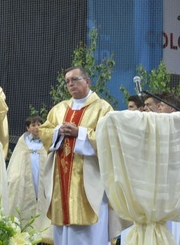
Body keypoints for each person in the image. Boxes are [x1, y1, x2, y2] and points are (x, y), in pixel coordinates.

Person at [39, 67, 124, 244]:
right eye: (67, 81)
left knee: (90, 234)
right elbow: (44, 132)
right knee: (63, 233)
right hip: (61, 180)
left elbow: (110, 139)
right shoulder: (59, 109)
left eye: (74, 79)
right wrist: (57, 131)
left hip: (89, 181)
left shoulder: (103, 108)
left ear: (87, 81)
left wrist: (80, 133)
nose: (70, 84)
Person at [7, 115, 53, 243]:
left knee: (43, 198)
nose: (37, 127)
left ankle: (44, 231)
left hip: (42, 176)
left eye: (39, 124)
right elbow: (16, 160)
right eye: (33, 125)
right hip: (27, 175)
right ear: (28, 128)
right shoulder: (23, 142)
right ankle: (24, 231)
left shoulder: (47, 141)